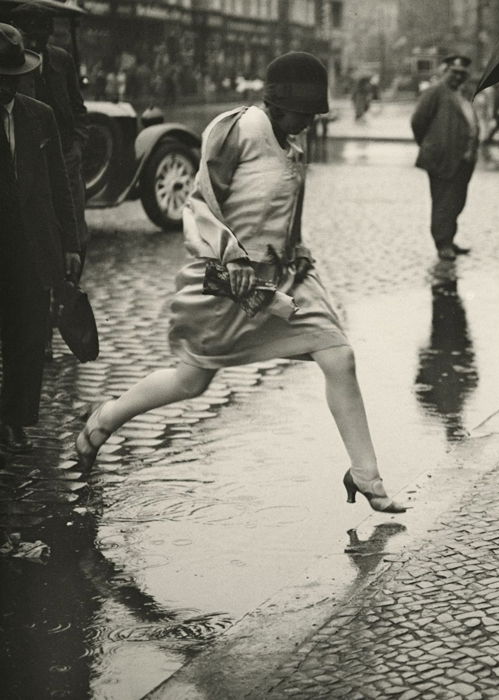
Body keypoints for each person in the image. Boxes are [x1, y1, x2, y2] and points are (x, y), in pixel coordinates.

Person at [76, 51, 405, 514]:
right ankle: (104, 418)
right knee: (191, 381)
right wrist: (238, 271)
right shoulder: (236, 130)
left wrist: (298, 260)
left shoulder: (293, 141)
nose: (310, 121)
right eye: (303, 112)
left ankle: (366, 474)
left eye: (315, 113)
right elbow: (199, 207)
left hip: (286, 275)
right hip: (224, 279)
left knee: (339, 356)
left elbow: (289, 218)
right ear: (275, 103)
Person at [0, 23, 81, 452]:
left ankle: (15, 418)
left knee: (28, 335)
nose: (9, 89)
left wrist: (69, 243)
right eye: (2, 81)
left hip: (32, 245)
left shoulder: (39, 116)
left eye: (14, 80)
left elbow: (59, 186)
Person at [411, 55, 479, 261]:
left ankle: (449, 239)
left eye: (462, 74)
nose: (458, 77)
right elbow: (418, 121)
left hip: (464, 160)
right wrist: (432, 145)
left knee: (457, 202)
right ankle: (443, 244)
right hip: (443, 159)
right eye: (454, 73)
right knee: (443, 203)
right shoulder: (435, 92)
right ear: (445, 71)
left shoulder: (462, 94)